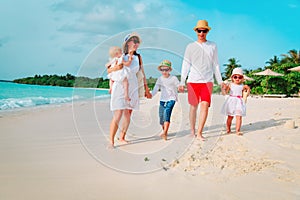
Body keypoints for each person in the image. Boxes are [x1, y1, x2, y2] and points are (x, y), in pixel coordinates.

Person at [178, 19, 224, 141]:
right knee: (193, 106)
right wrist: (182, 81)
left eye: (204, 31)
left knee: (204, 105)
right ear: (196, 31)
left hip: (207, 81)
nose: (201, 33)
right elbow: (185, 64)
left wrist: (220, 81)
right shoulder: (190, 46)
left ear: (207, 31)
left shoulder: (213, 46)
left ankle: (199, 132)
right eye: (199, 31)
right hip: (192, 81)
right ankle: (192, 131)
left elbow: (216, 65)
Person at [107, 33, 151, 148]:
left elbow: (142, 73)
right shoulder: (119, 56)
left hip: (132, 86)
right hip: (120, 86)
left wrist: (146, 88)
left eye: (137, 42)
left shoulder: (138, 57)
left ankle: (122, 137)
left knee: (128, 114)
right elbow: (109, 70)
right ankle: (111, 141)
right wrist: (117, 67)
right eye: (133, 41)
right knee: (118, 114)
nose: (136, 44)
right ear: (127, 43)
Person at [151, 60, 179, 140]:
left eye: (166, 70)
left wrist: (181, 87)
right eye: (162, 70)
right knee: (161, 118)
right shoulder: (160, 79)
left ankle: (165, 133)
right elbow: (156, 88)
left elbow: (178, 85)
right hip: (163, 99)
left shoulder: (173, 78)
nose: (164, 72)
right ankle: (164, 131)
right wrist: (151, 95)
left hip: (172, 99)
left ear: (169, 70)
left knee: (167, 113)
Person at [221, 68, 250, 135]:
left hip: (239, 102)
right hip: (231, 101)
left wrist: (248, 89)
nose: (237, 78)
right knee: (230, 117)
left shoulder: (243, 86)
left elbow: (245, 95)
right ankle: (228, 129)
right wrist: (224, 88)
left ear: (242, 78)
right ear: (232, 78)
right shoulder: (230, 84)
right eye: (235, 77)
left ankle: (238, 130)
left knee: (239, 116)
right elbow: (225, 92)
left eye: (240, 77)